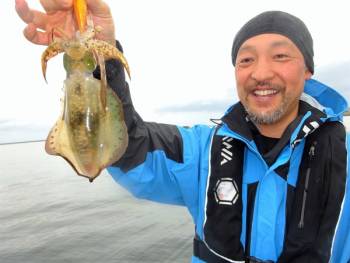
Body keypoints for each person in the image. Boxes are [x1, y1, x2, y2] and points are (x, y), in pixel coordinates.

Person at [15, 1, 350, 262]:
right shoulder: (202, 150)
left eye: (280, 56)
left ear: (308, 70)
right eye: (245, 60)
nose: (261, 72)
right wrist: (102, 57)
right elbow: (132, 149)